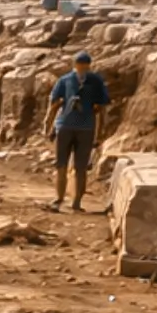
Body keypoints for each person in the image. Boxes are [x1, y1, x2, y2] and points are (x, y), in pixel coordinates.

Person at [47, 51, 109, 212]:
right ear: (75, 65)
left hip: (85, 127)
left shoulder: (95, 81)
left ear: (89, 65)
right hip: (66, 126)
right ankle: (59, 199)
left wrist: (100, 133)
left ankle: (76, 202)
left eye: (85, 65)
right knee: (61, 165)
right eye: (80, 64)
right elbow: (54, 104)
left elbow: (102, 108)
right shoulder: (65, 80)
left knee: (81, 167)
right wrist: (49, 126)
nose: (82, 68)